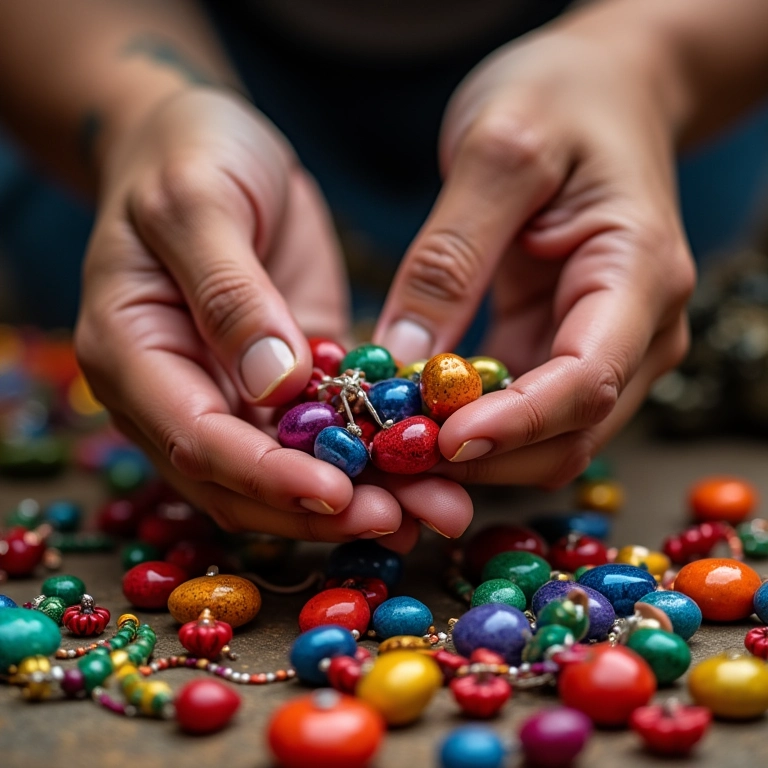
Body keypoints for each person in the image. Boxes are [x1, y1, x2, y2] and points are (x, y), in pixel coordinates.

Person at [0, 0, 766, 552]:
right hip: (126, 56)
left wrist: (644, 60)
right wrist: (140, 112)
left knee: (600, 335)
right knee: (181, 318)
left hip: (620, 71)